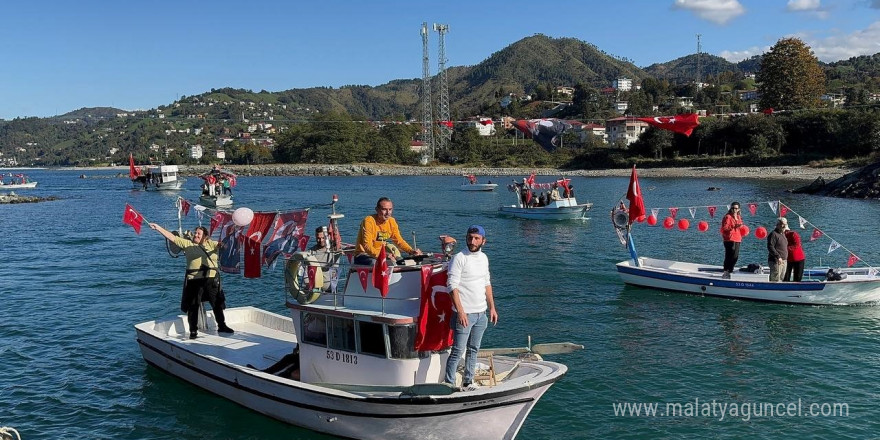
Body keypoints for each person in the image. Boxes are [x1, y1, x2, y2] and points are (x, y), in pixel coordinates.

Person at [148, 223, 234, 339]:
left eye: (199, 233)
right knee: (193, 306)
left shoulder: (211, 244)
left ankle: (222, 326)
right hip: (194, 280)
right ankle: (193, 331)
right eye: (196, 233)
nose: (196, 235)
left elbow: (224, 245)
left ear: (205, 237)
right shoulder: (187, 244)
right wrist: (157, 227)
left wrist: (229, 239)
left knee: (217, 304)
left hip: (211, 280)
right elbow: (171, 237)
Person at [445, 225, 498, 390]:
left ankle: (468, 381)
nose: (472, 241)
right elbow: (451, 286)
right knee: (457, 350)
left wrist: (492, 308)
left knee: (473, 349)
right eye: (470, 237)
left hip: (481, 313)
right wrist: (460, 312)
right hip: (465, 314)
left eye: (476, 238)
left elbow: (486, 284)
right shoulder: (459, 258)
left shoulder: (484, 258)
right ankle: (449, 384)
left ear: (483, 241)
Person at [354, 197, 421, 265]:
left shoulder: (391, 221)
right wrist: (383, 256)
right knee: (376, 263)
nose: (388, 213)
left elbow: (399, 241)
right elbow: (367, 246)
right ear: (377, 210)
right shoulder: (369, 221)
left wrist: (411, 251)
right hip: (363, 254)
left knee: (401, 261)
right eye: (384, 209)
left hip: (382, 254)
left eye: (390, 209)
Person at [720, 202, 744, 279]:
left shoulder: (739, 217)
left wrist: (741, 227)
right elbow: (724, 228)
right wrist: (733, 226)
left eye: (736, 208)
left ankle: (730, 269)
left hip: (737, 237)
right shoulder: (727, 217)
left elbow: (740, 226)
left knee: (735, 256)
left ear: (739, 209)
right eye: (733, 208)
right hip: (729, 238)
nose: (734, 209)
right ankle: (726, 270)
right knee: (729, 254)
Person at [767, 218, 789, 282]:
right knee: (775, 279)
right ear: (778, 224)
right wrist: (778, 257)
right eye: (782, 224)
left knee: (781, 279)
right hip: (776, 261)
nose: (784, 226)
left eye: (785, 224)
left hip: (784, 260)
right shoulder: (773, 234)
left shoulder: (783, 234)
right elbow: (770, 247)